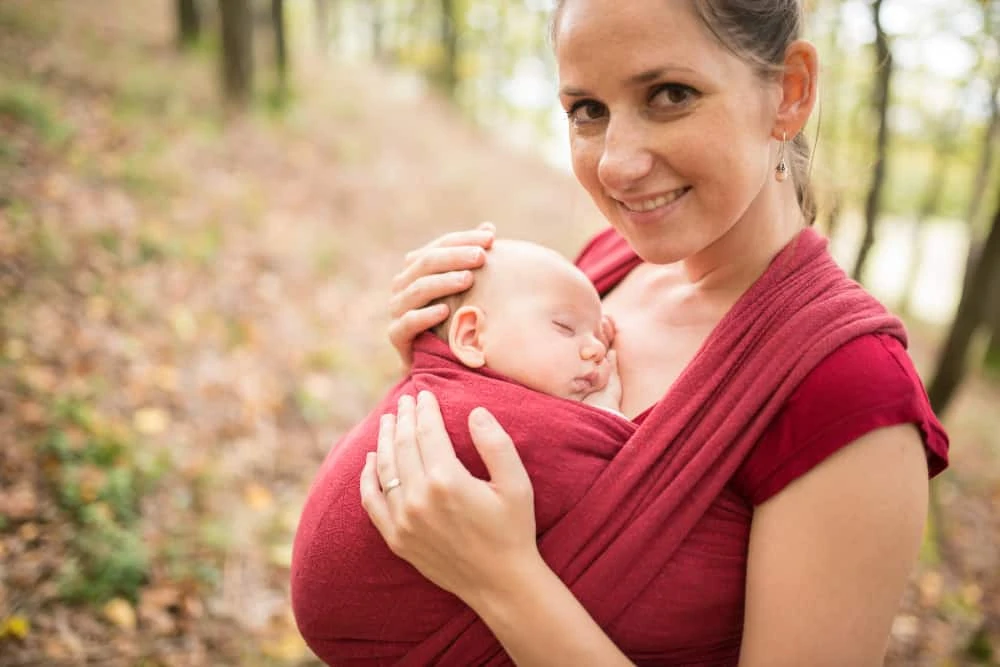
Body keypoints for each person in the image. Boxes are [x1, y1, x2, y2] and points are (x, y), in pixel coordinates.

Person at [294, 1, 951, 665]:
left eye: (670, 95)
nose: (615, 164)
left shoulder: (851, 392)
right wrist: (441, 378)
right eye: (588, 110)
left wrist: (504, 580)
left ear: (789, 92)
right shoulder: (605, 267)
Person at [290, 239, 633, 664]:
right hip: (377, 626)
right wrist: (604, 419)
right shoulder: (487, 419)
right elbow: (606, 484)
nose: (596, 350)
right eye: (565, 328)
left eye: (600, 337)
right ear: (470, 336)